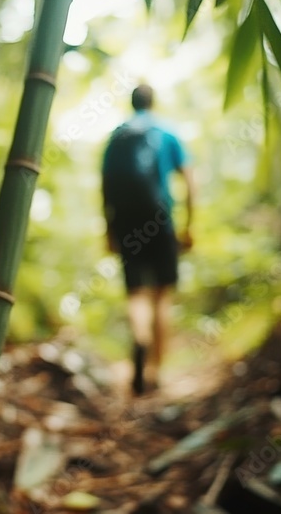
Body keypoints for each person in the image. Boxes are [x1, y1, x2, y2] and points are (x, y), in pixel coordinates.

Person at [101, 84, 194, 395]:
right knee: (161, 296)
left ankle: (140, 339)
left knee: (137, 292)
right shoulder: (166, 132)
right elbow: (190, 181)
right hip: (159, 217)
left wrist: (109, 230)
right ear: (153, 102)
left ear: (131, 102)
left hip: (126, 221)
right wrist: (191, 225)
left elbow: (105, 185)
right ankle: (155, 372)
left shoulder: (118, 135)